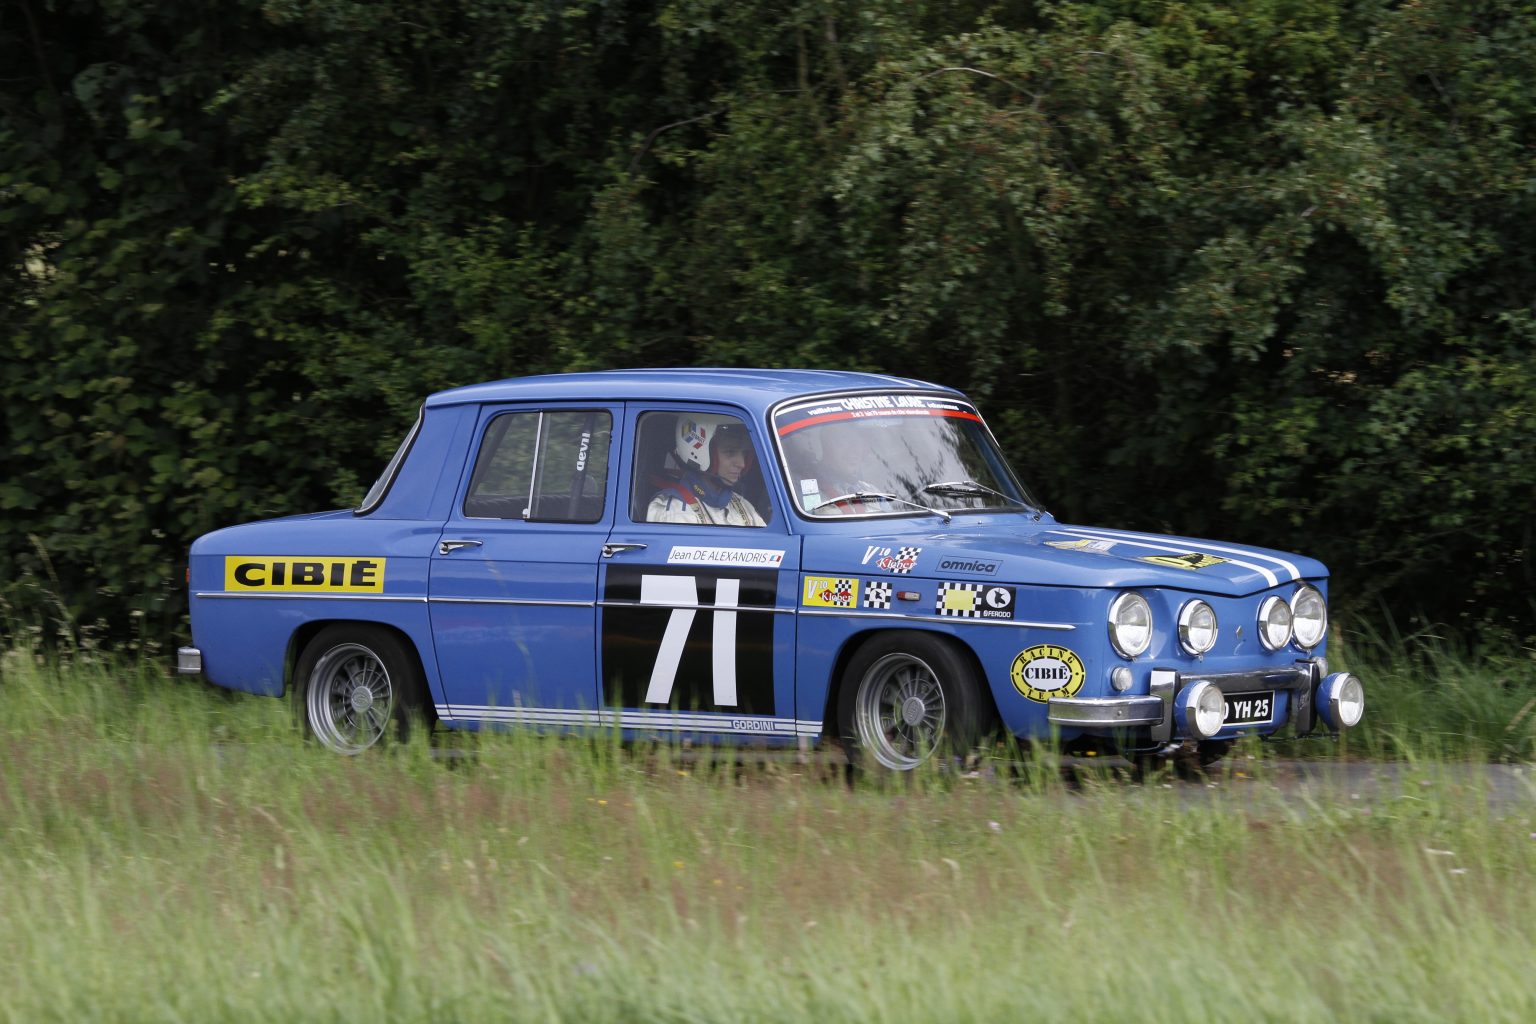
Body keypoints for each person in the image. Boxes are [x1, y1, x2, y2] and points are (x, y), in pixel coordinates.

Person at [646, 416, 767, 526]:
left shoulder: (741, 504)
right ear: (700, 452)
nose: (742, 464)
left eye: (745, 454)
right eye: (730, 452)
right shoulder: (676, 513)